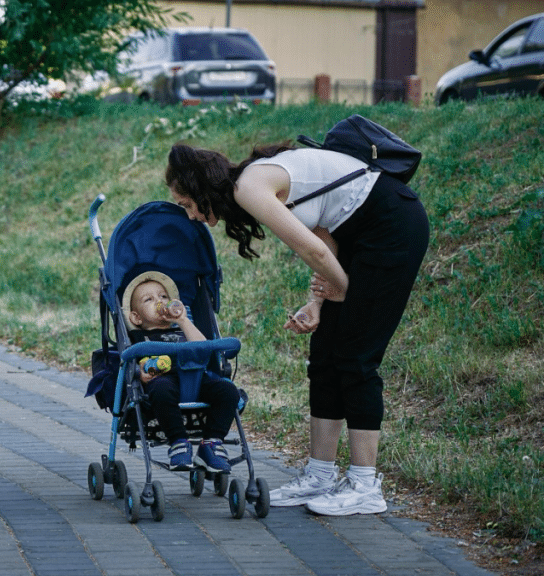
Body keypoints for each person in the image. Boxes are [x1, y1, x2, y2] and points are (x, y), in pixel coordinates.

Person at [165, 141, 428, 515]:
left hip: (392, 226)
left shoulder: (249, 188)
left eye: (187, 205)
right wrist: (319, 301)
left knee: (355, 357)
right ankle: (320, 475)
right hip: (359, 233)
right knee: (324, 358)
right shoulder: (253, 182)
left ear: (201, 190)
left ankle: (365, 485)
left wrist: (343, 289)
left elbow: (316, 254)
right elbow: (324, 236)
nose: (190, 216)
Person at [122, 271, 241, 473]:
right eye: (149, 299)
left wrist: (184, 321)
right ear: (136, 316)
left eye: (163, 297)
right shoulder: (139, 336)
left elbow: (204, 347)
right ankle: (178, 441)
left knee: (228, 391)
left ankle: (211, 443)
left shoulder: (182, 329)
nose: (159, 302)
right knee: (161, 390)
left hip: (196, 379)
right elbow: (134, 361)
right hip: (163, 380)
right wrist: (140, 372)